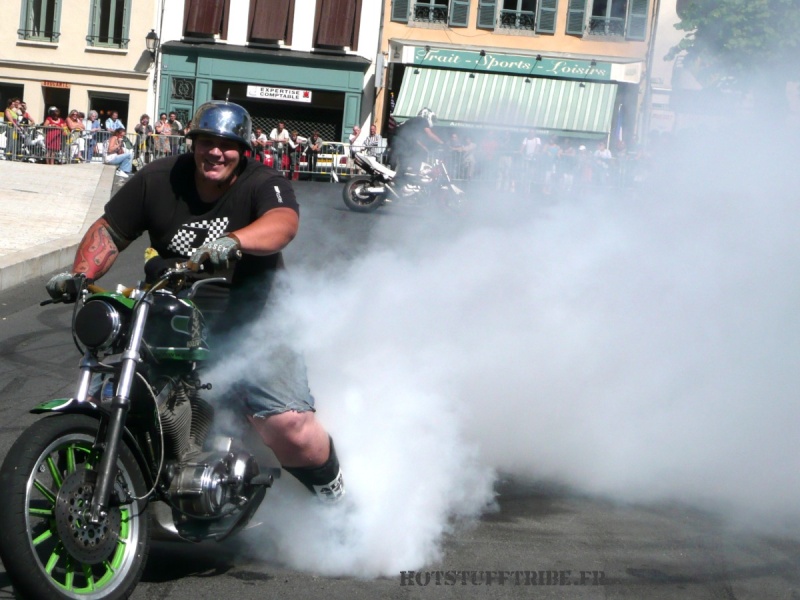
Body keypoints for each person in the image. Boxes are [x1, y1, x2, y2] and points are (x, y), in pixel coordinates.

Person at [45, 100, 345, 504]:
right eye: (206, 141)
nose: (216, 152)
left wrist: (234, 241)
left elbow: (283, 224)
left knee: (288, 427)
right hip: (171, 314)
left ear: (242, 151)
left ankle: (335, 497)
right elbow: (110, 232)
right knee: (112, 391)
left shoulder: (261, 181)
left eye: (227, 144)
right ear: (193, 143)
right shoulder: (159, 179)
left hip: (256, 320)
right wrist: (80, 276)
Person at [390, 107, 444, 192]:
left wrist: (425, 148)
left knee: (414, 155)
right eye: (432, 119)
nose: (432, 122)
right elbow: (429, 134)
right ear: (427, 115)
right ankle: (399, 183)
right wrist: (442, 143)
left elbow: (415, 140)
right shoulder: (422, 120)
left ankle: (408, 180)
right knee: (406, 160)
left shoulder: (414, 122)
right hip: (401, 142)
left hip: (399, 140)